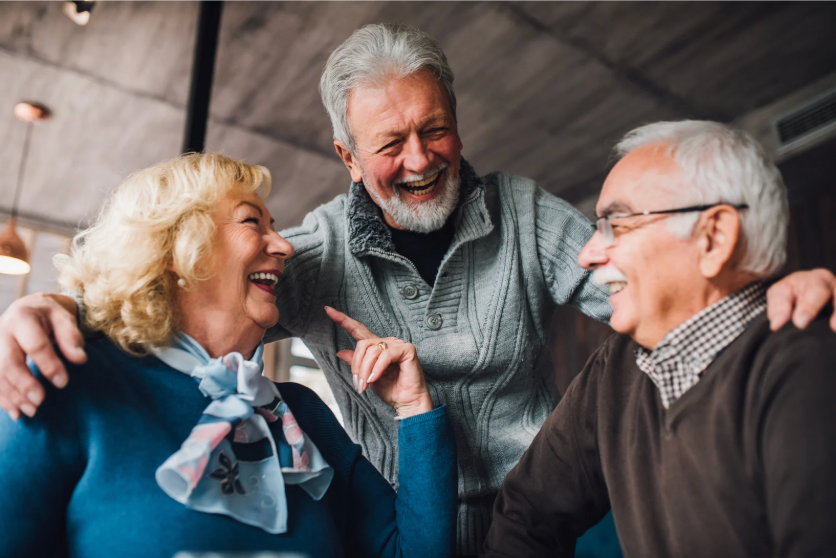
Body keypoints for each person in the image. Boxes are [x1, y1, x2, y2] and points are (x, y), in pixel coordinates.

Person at [1, 24, 835, 556]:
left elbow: (657, 287)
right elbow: (191, 295)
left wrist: (765, 290)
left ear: (458, 122)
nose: (420, 158)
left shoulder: (527, 215)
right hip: (407, 525)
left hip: (551, 516)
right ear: (346, 157)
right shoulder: (313, 252)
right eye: (390, 142)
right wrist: (62, 310)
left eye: (435, 128)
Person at [0, 153, 457, 558]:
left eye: (274, 226)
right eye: (252, 222)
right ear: (180, 250)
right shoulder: (66, 380)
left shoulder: (301, 413)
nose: (284, 246)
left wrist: (414, 408)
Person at [483, 121, 836, 557]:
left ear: (714, 238)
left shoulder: (806, 367)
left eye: (616, 223)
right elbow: (527, 512)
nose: (587, 255)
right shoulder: (617, 367)